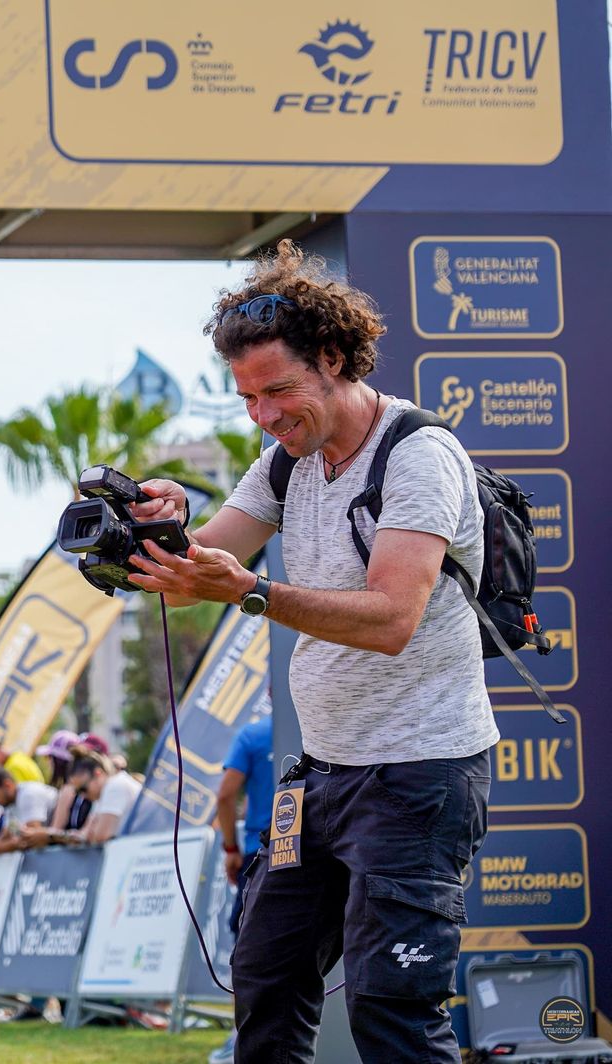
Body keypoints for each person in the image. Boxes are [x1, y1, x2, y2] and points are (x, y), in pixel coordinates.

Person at [126, 240, 495, 1063]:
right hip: (324, 774)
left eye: (279, 391)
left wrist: (253, 592)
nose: (264, 414)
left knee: (393, 1010)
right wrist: (151, 528)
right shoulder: (283, 462)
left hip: (420, 776)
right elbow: (194, 569)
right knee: (264, 979)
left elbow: (392, 619)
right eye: (247, 397)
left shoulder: (419, 455)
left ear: (333, 359)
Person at [208, 715, 274, 1064]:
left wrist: (230, 849)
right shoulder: (325, 716)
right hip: (324, 845)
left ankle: (244, 1034)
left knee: (249, 948)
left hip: (262, 851)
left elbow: (226, 793)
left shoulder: (254, 734)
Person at [66, 749, 140, 846]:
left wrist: (90, 833)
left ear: (98, 773)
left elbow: (101, 836)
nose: (82, 796)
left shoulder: (115, 785)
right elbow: (85, 833)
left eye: (83, 789)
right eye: (77, 792)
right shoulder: (103, 793)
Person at [0, 766, 58, 852]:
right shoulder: (10, 804)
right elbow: (6, 836)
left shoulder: (28, 794)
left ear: (7, 785)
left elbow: (31, 839)